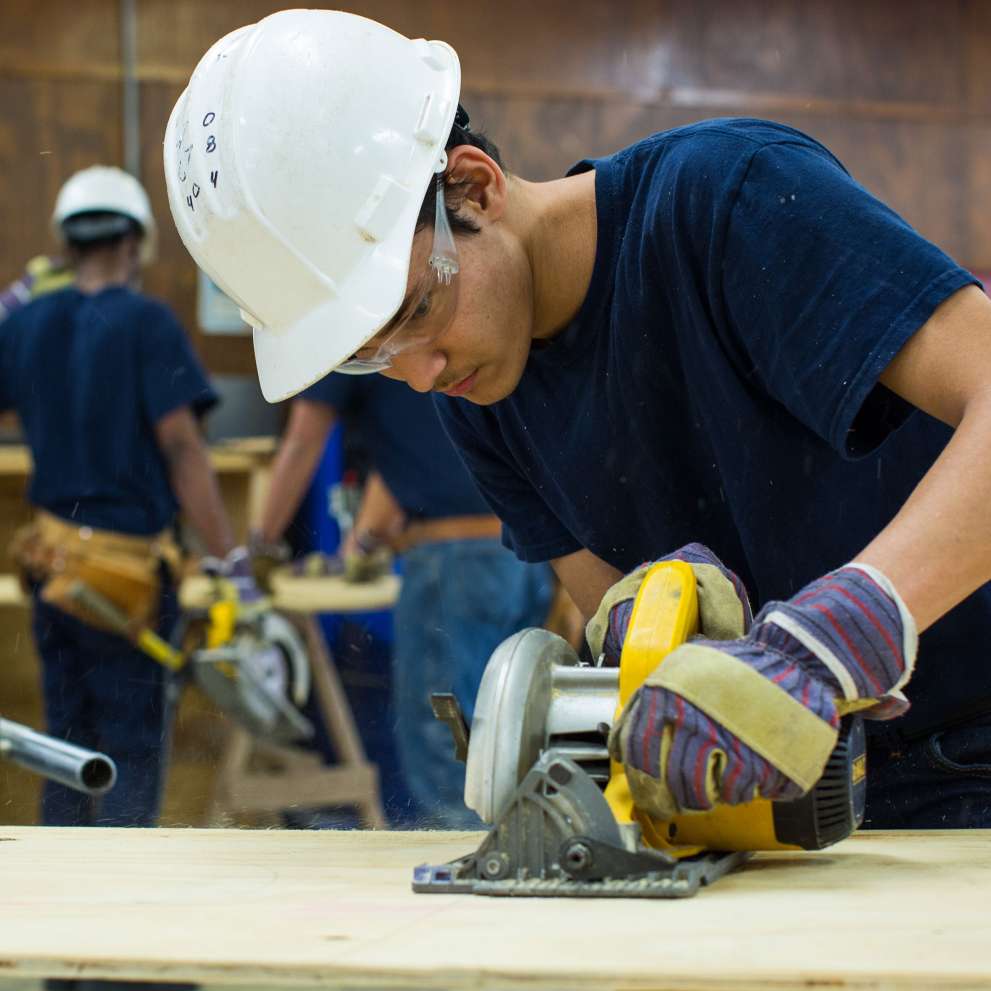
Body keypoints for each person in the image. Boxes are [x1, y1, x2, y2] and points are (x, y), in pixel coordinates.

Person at [166, 11, 991, 829]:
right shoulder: (482, 391)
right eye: (369, 357)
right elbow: (639, 650)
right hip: (797, 799)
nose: (418, 375)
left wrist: (841, 635)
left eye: (417, 309)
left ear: (474, 187)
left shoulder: (727, 200)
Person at [0, 165, 249, 829]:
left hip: (52, 571)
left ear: (67, 243)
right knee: (130, 751)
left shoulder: (24, 324)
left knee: (66, 745)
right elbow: (183, 448)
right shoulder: (148, 324)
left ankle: (65, 914)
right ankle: (123, 903)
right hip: (128, 584)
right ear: (134, 244)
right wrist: (232, 560)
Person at [253, 372, 553, 827]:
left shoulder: (356, 345)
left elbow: (301, 441)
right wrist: (359, 546)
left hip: (455, 566)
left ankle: (465, 885)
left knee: (449, 758)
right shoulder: (421, 347)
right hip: (522, 554)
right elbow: (413, 456)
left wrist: (254, 551)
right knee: (505, 741)